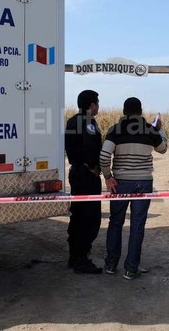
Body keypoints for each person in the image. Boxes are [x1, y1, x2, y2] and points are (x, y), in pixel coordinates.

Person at [100, 97, 167, 280]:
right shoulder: (150, 130)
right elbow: (163, 149)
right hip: (143, 182)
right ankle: (131, 269)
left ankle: (111, 265)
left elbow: (104, 156)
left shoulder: (115, 130)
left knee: (115, 222)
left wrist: (108, 177)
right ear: (140, 111)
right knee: (137, 225)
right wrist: (160, 129)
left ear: (124, 111)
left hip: (120, 183)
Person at [64, 90, 103, 274]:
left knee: (77, 215)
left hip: (76, 173)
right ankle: (82, 259)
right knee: (90, 218)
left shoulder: (72, 120)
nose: (98, 106)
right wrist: (92, 166)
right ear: (92, 105)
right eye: (97, 103)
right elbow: (89, 148)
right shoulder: (88, 122)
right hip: (86, 176)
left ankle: (74, 256)